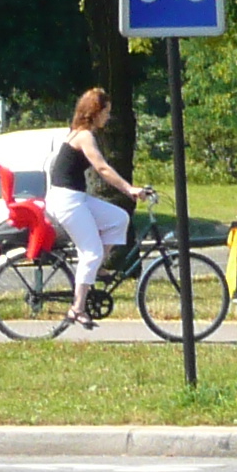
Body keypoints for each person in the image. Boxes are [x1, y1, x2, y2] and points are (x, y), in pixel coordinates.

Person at [45, 89, 152, 332]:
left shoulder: (81, 133)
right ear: (95, 112)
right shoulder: (84, 136)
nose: (108, 117)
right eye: (107, 112)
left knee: (118, 218)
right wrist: (129, 189)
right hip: (66, 200)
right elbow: (102, 169)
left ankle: (96, 268)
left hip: (76, 197)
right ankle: (78, 308)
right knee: (90, 251)